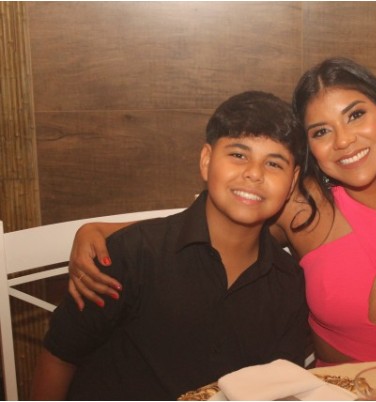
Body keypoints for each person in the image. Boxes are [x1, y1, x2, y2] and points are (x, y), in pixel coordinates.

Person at [67, 58, 376, 367]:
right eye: (321, 131)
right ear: (308, 150)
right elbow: (203, 227)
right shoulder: (303, 208)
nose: (344, 141)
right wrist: (100, 230)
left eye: (356, 115)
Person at [30, 91, 309, 400]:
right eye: (239, 155)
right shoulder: (133, 254)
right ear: (206, 161)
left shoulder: (288, 282)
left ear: (292, 182)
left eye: (274, 163)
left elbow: (281, 386)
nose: (254, 173)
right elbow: (60, 356)